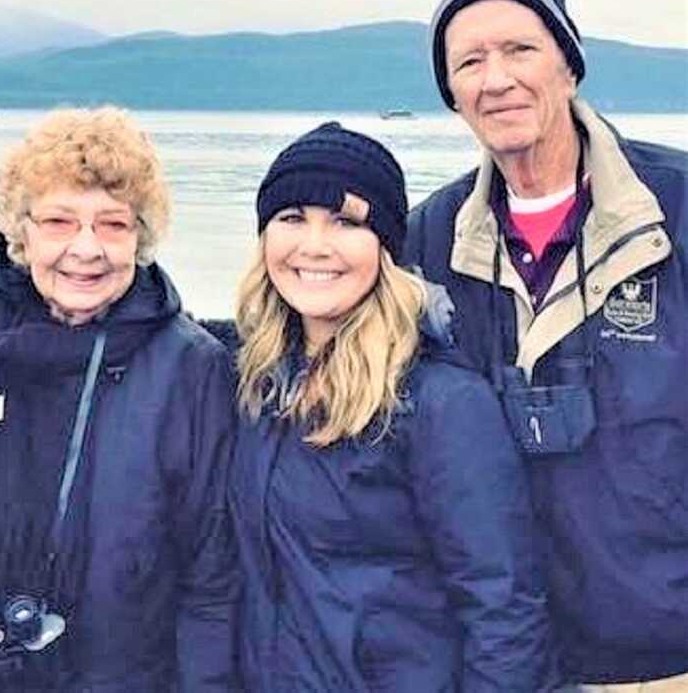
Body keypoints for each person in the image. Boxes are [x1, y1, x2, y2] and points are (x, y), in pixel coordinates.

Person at [405, 0, 688, 688]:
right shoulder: (428, 241)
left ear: (568, 65)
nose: (495, 79)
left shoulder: (674, 213)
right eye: (469, 62)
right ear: (453, 96)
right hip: (510, 659)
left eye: (520, 50)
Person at [221, 121, 555, 691]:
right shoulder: (254, 383)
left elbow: (504, 608)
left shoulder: (440, 402)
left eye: (346, 222)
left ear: (385, 248)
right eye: (292, 218)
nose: (315, 245)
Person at [0, 107, 238, 691]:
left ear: (141, 237)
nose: (86, 250)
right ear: (22, 233)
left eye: (113, 225)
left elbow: (211, 574)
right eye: (60, 222)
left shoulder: (190, 367)